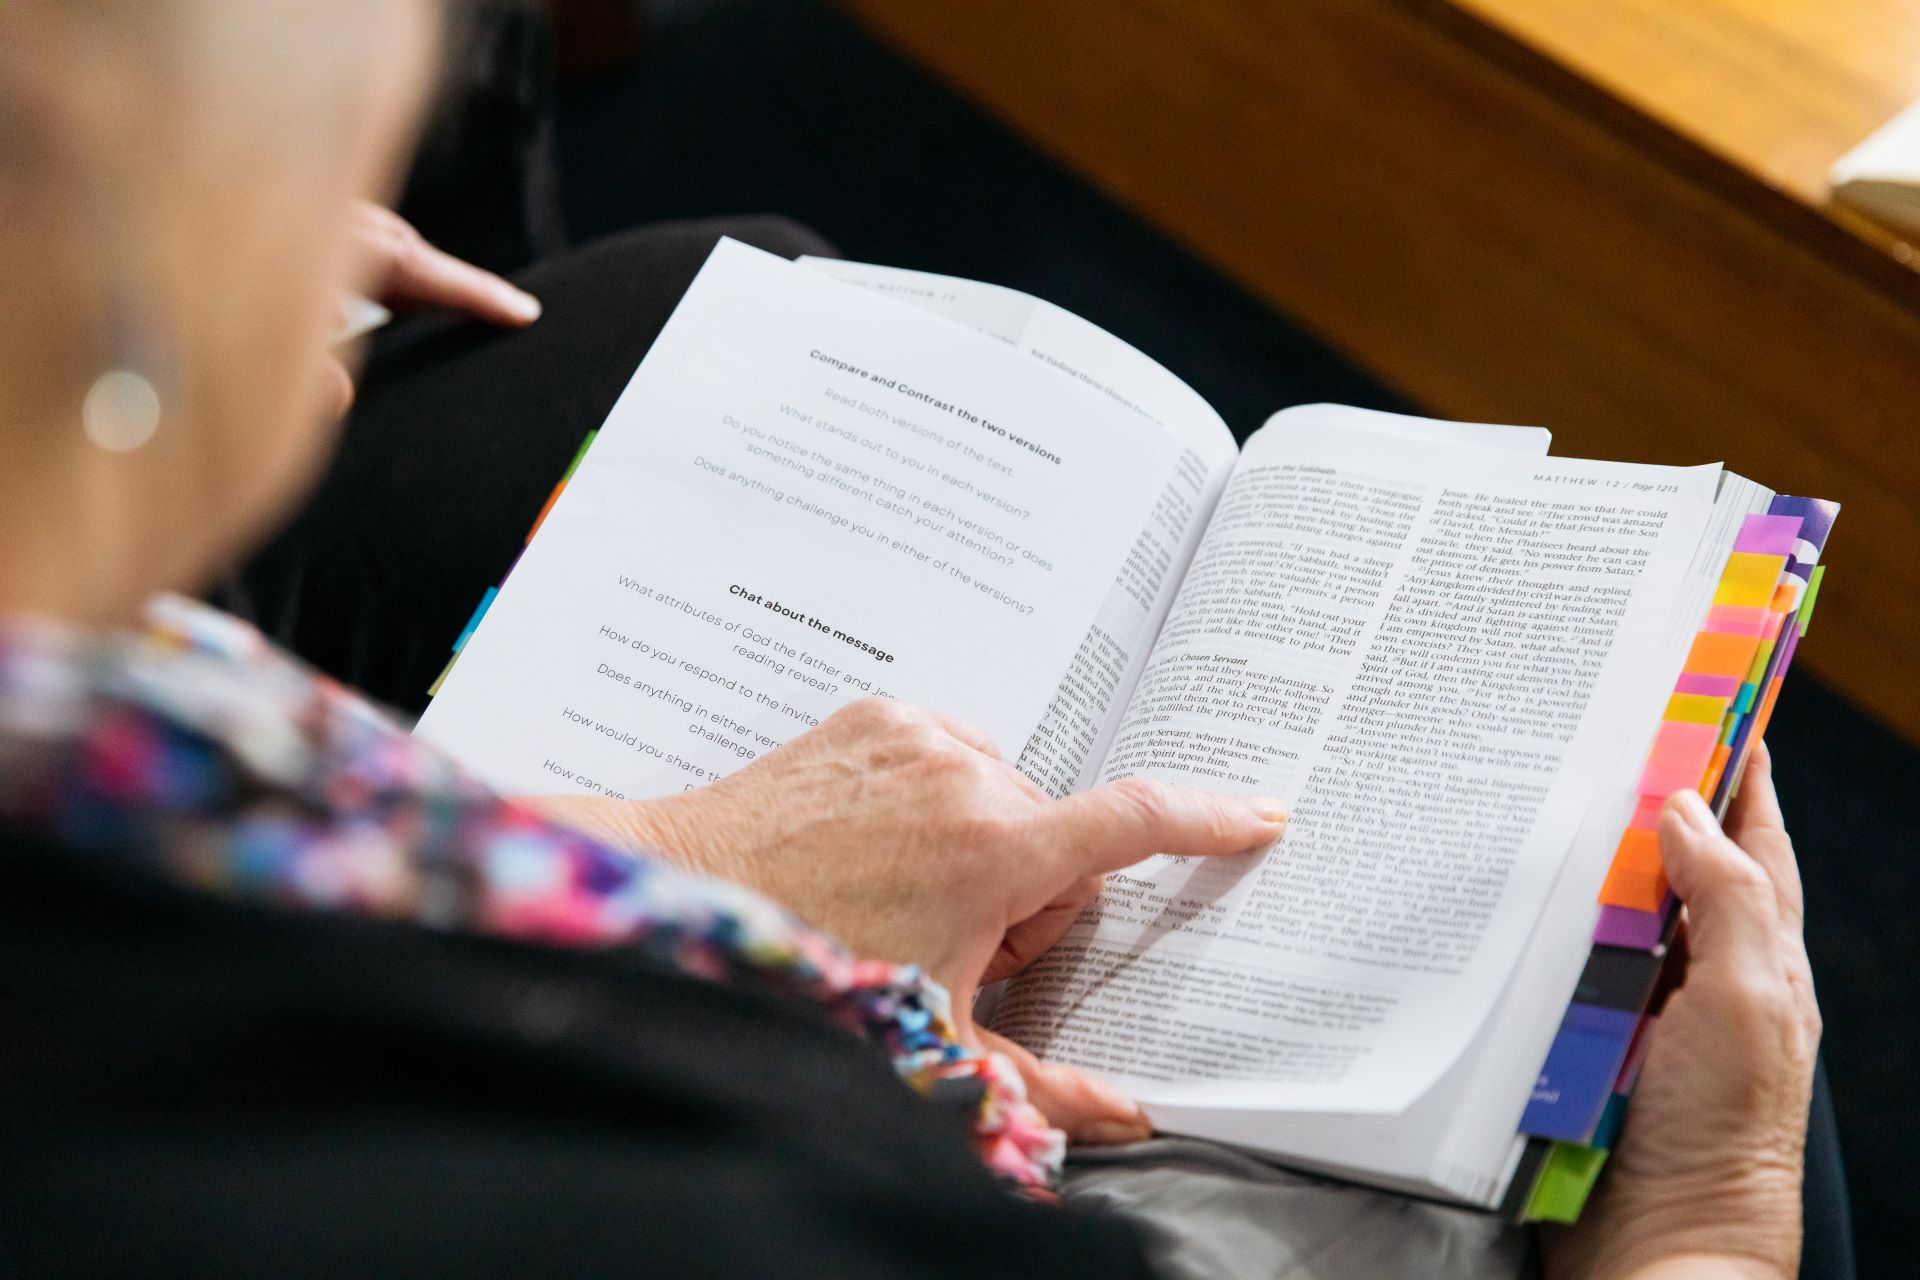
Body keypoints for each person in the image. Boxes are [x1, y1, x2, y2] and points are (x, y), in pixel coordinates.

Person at [0, 1, 1831, 1277]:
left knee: (690, 285)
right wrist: (1707, 1230)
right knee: (1676, 1058)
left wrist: (674, 856)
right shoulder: (659, 1191)